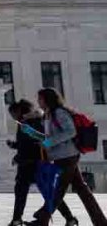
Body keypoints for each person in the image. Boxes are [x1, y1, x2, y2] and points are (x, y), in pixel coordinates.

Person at [28, 88, 107, 226]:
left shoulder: (59, 112)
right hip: (61, 156)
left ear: (47, 99)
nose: (38, 102)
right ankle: (100, 221)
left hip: (68, 155)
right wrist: (31, 132)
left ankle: (43, 218)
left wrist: (48, 142)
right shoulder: (48, 115)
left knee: (59, 189)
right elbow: (49, 137)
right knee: (81, 189)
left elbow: (71, 131)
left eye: (40, 99)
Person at [5, 99, 77, 226]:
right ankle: (69, 219)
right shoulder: (26, 122)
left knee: (38, 193)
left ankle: (17, 219)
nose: (12, 116)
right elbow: (27, 143)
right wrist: (15, 146)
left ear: (20, 111)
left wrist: (19, 155)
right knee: (45, 193)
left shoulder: (31, 122)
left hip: (33, 164)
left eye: (13, 113)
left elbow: (38, 142)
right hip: (30, 163)